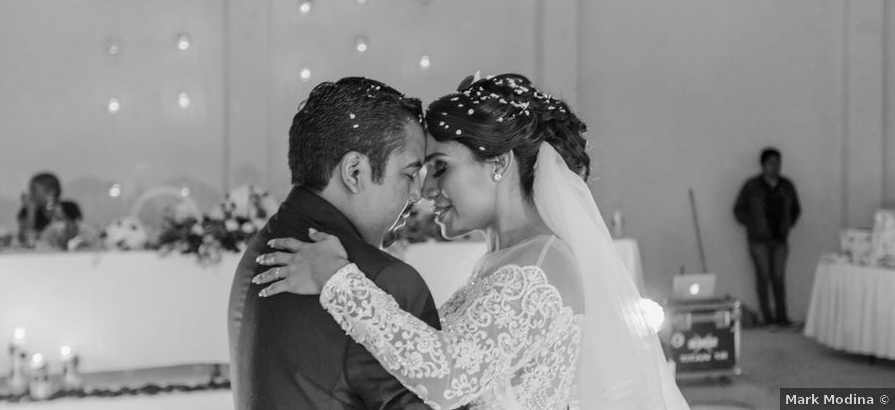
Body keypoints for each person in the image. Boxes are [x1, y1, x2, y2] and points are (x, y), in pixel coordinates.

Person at [256, 74, 690, 410]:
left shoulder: (543, 264)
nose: (426, 192)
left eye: (440, 168)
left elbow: (447, 378)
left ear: (498, 164)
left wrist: (339, 282)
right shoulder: (509, 260)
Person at [227, 77, 441, 410]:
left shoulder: (262, 246)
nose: (417, 195)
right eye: (410, 173)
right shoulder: (383, 281)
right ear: (354, 171)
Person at [733, 147, 801, 327]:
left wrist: (788, 225)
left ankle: (782, 317)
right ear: (763, 165)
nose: (776, 167)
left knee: (778, 278)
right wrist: (753, 224)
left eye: (778, 163)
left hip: (780, 240)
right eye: (772, 163)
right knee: (763, 278)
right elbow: (739, 210)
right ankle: (767, 318)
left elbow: (795, 209)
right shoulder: (752, 186)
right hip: (759, 241)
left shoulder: (786, 186)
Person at [17, 172, 63, 247]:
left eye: (34, 190)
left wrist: (59, 213)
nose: (30, 194)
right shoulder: (26, 211)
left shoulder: (69, 207)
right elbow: (23, 238)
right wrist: (31, 211)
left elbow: (75, 231)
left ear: (51, 192)